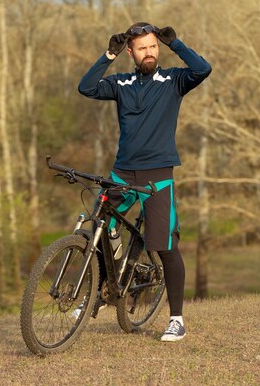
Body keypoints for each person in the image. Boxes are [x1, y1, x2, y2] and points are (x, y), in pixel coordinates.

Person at [77, 22, 212, 341]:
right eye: (142, 48)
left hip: (158, 175)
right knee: (98, 227)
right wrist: (107, 54)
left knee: (166, 247)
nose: (149, 52)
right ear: (131, 52)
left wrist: (176, 44)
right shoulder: (121, 82)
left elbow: (203, 68)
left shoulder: (174, 80)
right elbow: (86, 87)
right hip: (122, 173)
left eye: (153, 46)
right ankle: (102, 290)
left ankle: (176, 319)